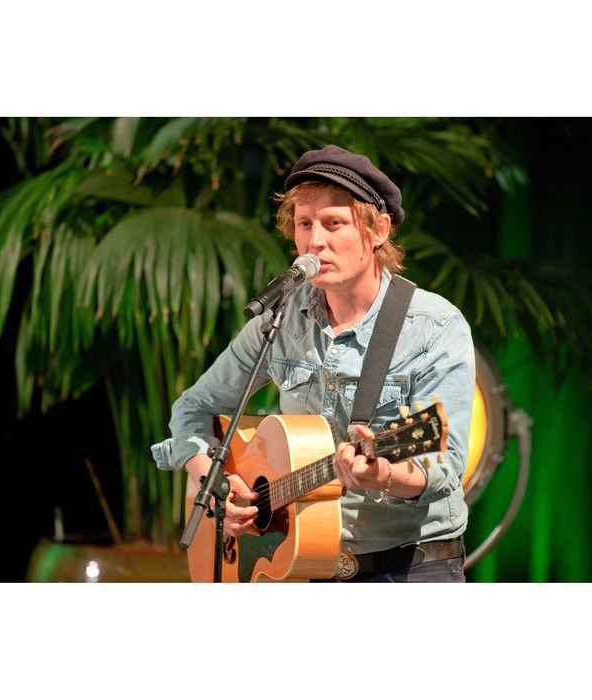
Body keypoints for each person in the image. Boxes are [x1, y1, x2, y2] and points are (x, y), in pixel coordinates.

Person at [151, 145, 475, 582]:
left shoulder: (434, 326)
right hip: (303, 567)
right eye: (305, 223)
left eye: (333, 223)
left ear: (378, 230)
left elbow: (444, 465)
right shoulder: (280, 319)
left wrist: (383, 473)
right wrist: (215, 481)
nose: (314, 241)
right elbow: (192, 408)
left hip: (410, 568)